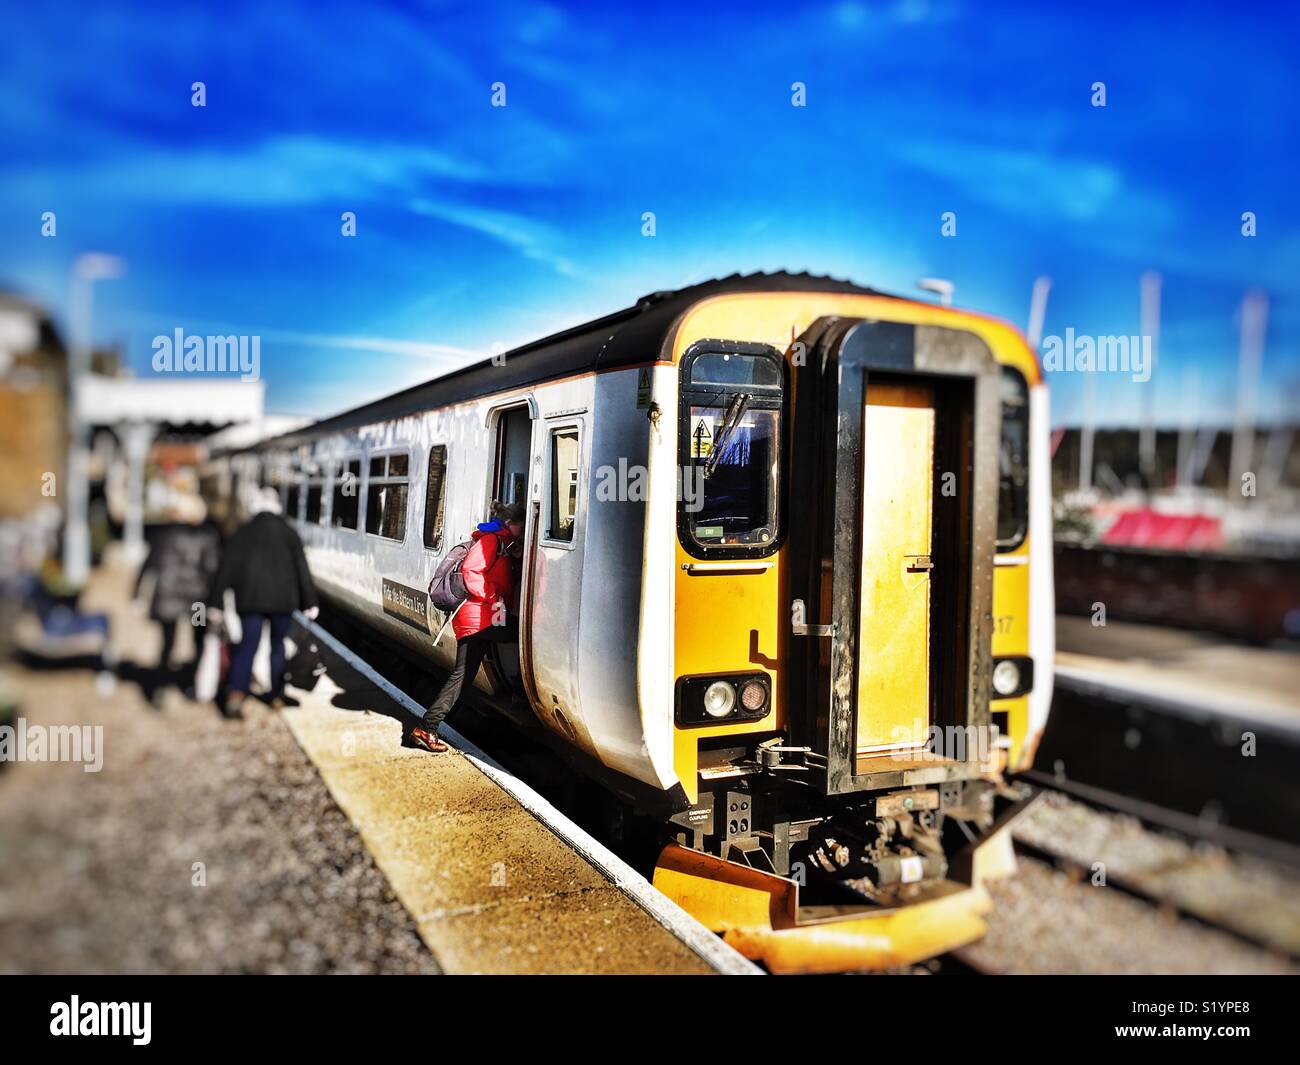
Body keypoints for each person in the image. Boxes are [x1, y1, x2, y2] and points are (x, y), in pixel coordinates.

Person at [409, 500, 523, 753]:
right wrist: (493, 597)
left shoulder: (503, 544)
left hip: (488, 615)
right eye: (521, 527)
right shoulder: (491, 541)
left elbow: (500, 575)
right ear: (510, 524)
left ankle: (427, 728)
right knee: (524, 638)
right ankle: (426, 728)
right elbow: (472, 571)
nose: (523, 533)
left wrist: (515, 561)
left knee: (464, 676)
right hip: (477, 617)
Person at [208, 487, 318, 718]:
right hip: (282, 602)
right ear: (276, 506)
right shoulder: (289, 531)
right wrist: (310, 602)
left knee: (247, 645)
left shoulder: (243, 531)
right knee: (277, 646)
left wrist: (216, 603)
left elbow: (226, 568)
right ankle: (276, 695)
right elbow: (301, 568)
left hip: (250, 601)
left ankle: (236, 697)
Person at [132, 497, 221, 689]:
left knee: (167, 642)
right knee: (197, 640)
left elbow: (148, 565)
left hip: (168, 596)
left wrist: (137, 593)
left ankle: (159, 686)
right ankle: (194, 684)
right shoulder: (207, 536)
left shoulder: (163, 535)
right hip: (198, 600)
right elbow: (212, 568)